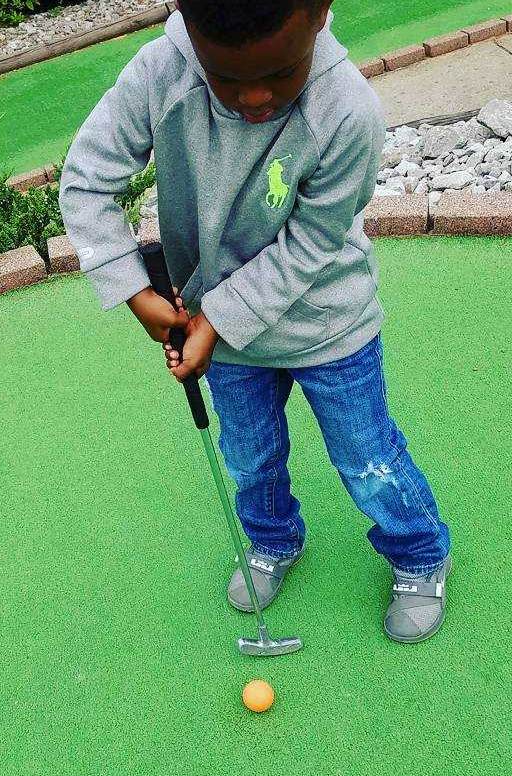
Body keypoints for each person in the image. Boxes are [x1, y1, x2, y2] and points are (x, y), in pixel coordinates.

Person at [58, 0, 453, 643]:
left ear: (321, 12)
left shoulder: (347, 110)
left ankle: (419, 553)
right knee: (249, 458)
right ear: (188, 25)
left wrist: (218, 317)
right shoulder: (164, 72)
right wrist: (132, 289)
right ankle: (274, 541)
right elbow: (85, 182)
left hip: (330, 322)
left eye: (280, 71)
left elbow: (311, 242)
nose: (255, 97)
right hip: (224, 336)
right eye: (227, 79)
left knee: (367, 456)